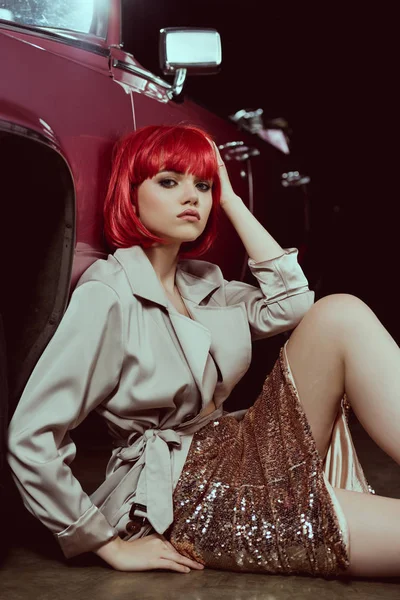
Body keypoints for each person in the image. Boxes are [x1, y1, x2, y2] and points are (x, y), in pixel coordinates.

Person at [6, 124, 400, 578]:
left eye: (204, 185)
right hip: (185, 488)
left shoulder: (204, 283)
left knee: (340, 313)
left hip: (238, 447)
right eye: (169, 182)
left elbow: (294, 303)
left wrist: (232, 201)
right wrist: (105, 543)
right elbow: (31, 436)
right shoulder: (108, 292)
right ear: (130, 194)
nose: (191, 197)